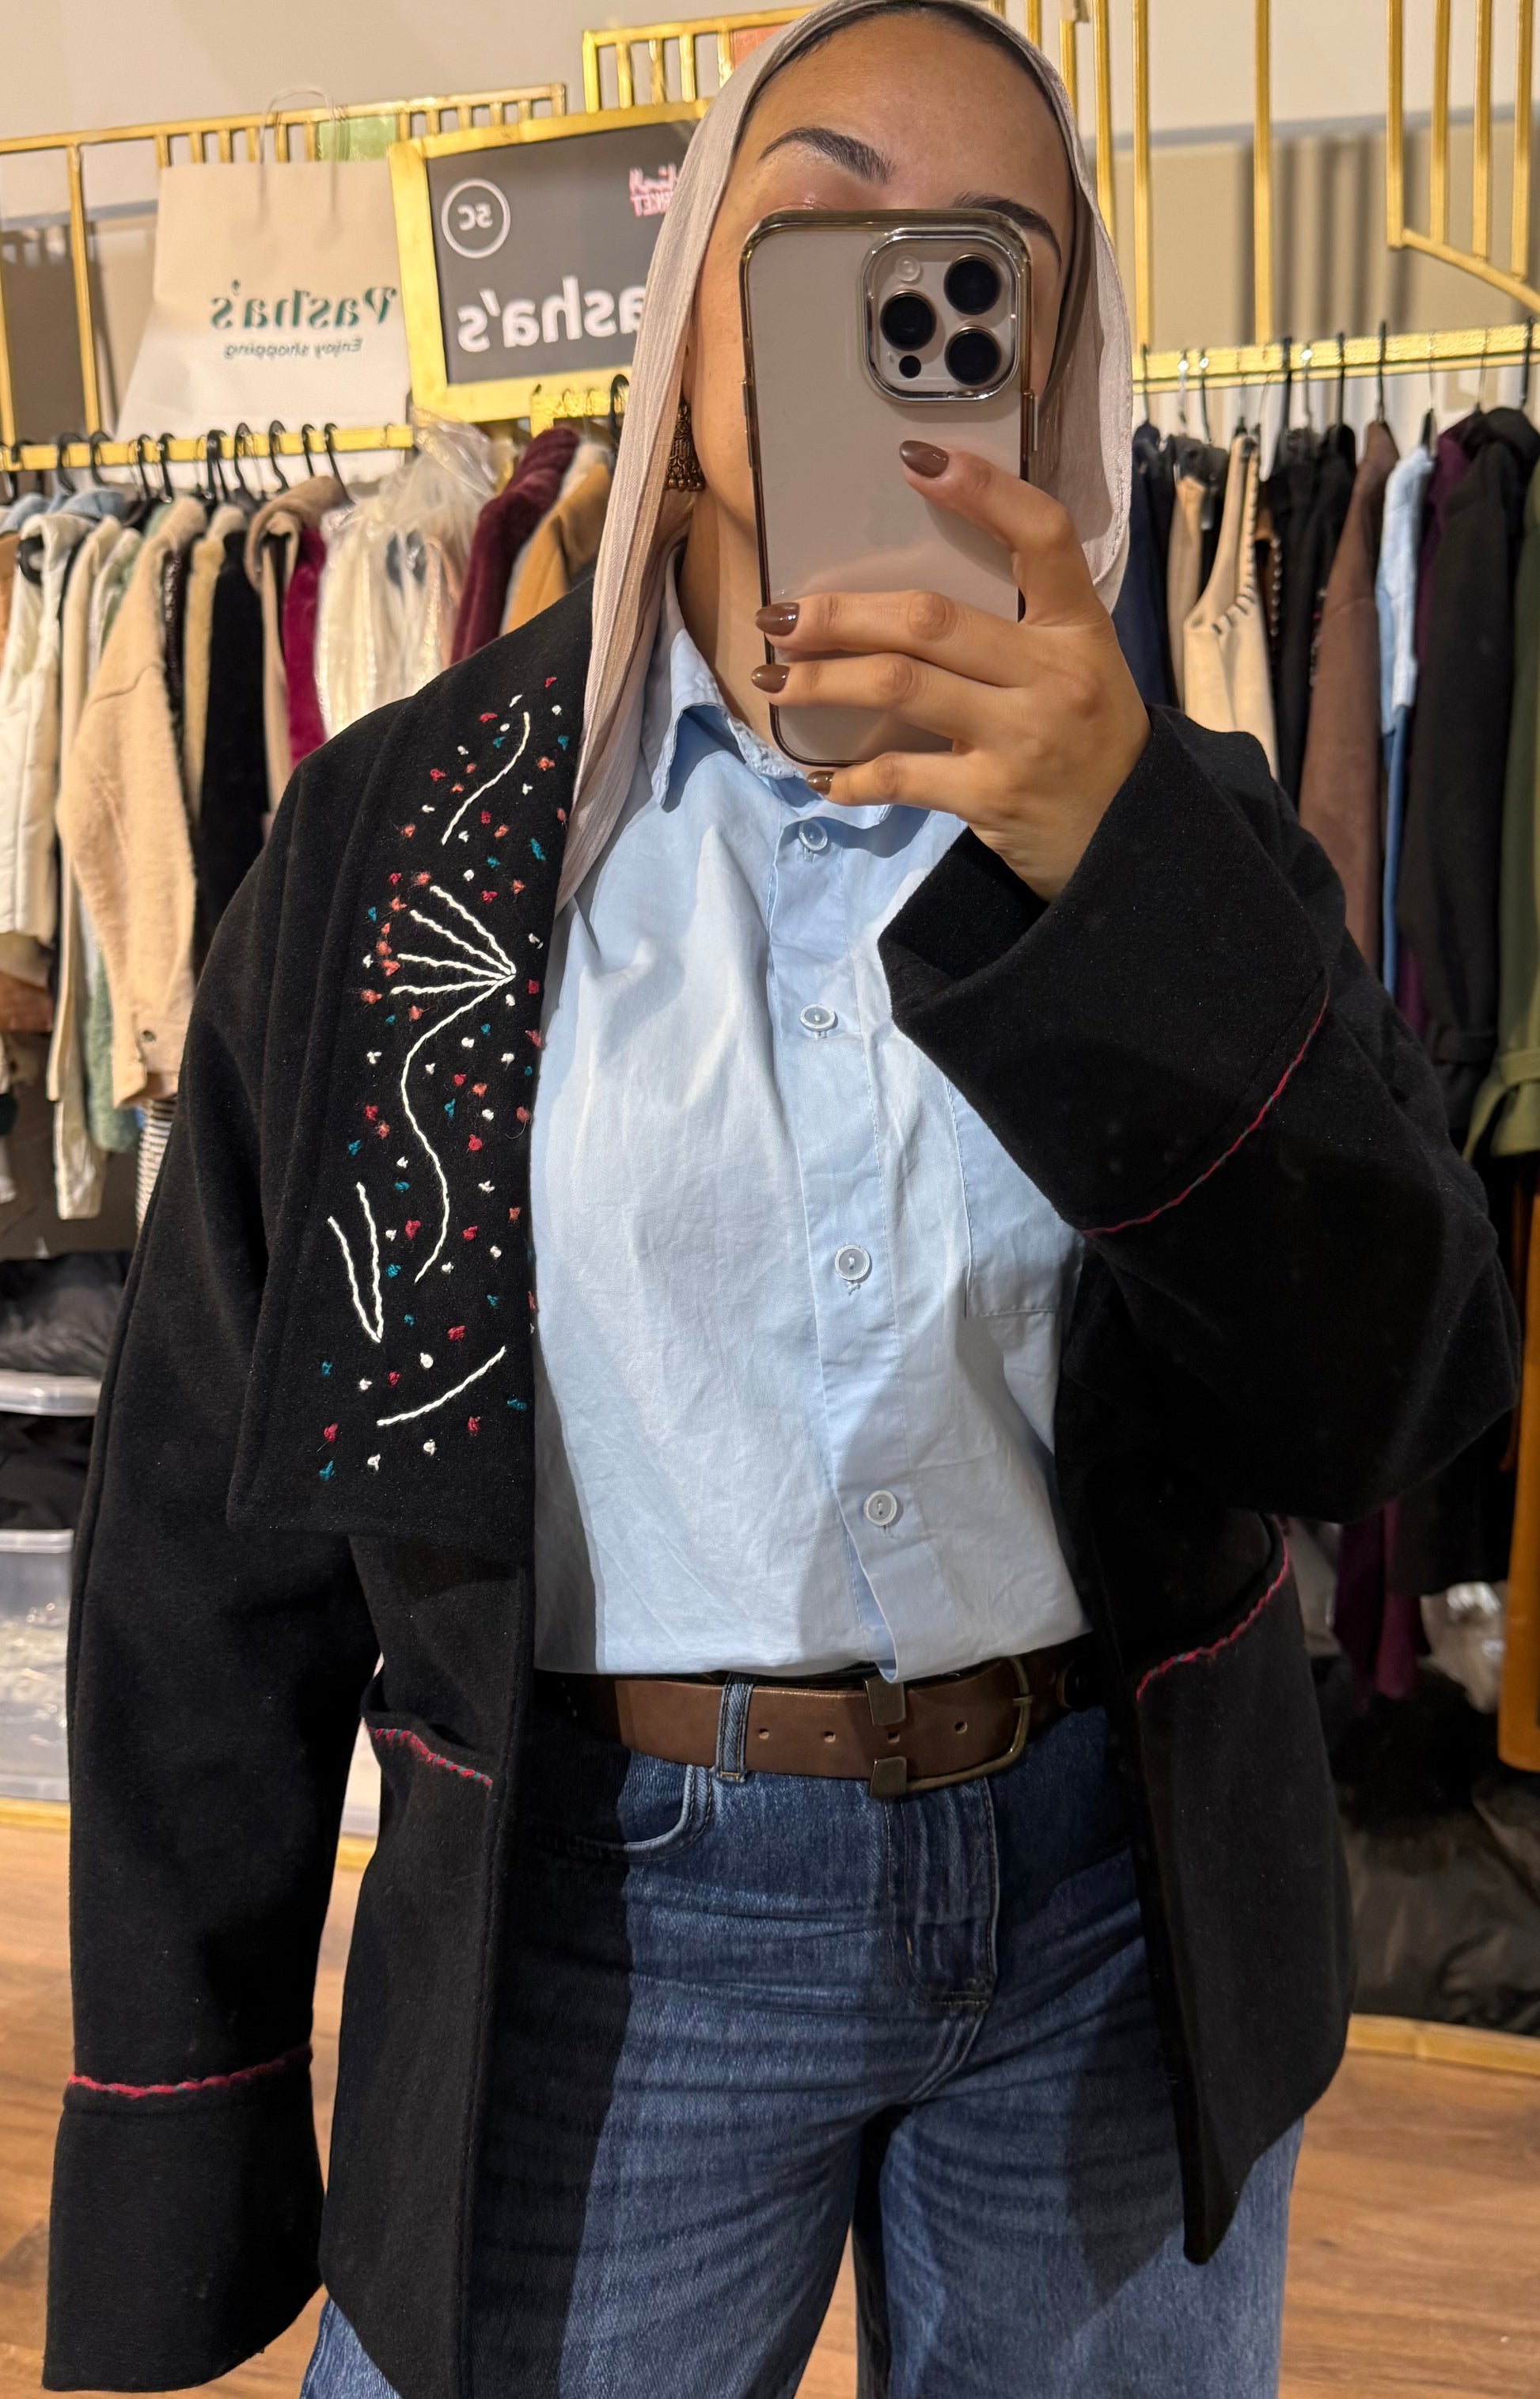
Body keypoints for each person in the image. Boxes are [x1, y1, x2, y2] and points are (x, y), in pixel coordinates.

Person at [44, 6, 1515, 2397]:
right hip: (599, 1920)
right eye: (811, 218)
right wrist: (183, 2093)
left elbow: (1387, 1389)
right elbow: (213, 1521)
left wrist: (1120, 872)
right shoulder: (411, 843)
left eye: (970, 267)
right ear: (688, 300)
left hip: (1110, 1898)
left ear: (1048, 367)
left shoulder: (1186, 824)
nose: (882, 290)